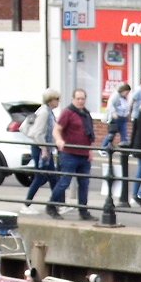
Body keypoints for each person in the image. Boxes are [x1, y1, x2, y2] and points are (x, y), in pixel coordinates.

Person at [47, 88, 96, 220]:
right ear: (73, 99)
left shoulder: (86, 114)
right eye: (78, 98)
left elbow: (89, 134)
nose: (80, 101)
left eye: (82, 99)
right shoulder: (67, 113)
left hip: (84, 154)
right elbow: (56, 129)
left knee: (84, 183)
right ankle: (51, 205)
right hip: (70, 153)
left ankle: (83, 211)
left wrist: (90, 151)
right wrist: (59, 140)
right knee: (65, 182)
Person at [22, 88, 61, 212]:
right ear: (51, 100)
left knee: (52, 176)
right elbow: (37, 133)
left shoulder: (48, 111)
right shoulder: (44, 112)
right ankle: (26, 204)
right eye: (57, 99)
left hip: (44, 148)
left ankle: (57, 204)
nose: (58, 102)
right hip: (40, 148)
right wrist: (44, 149)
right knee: (40, 177)